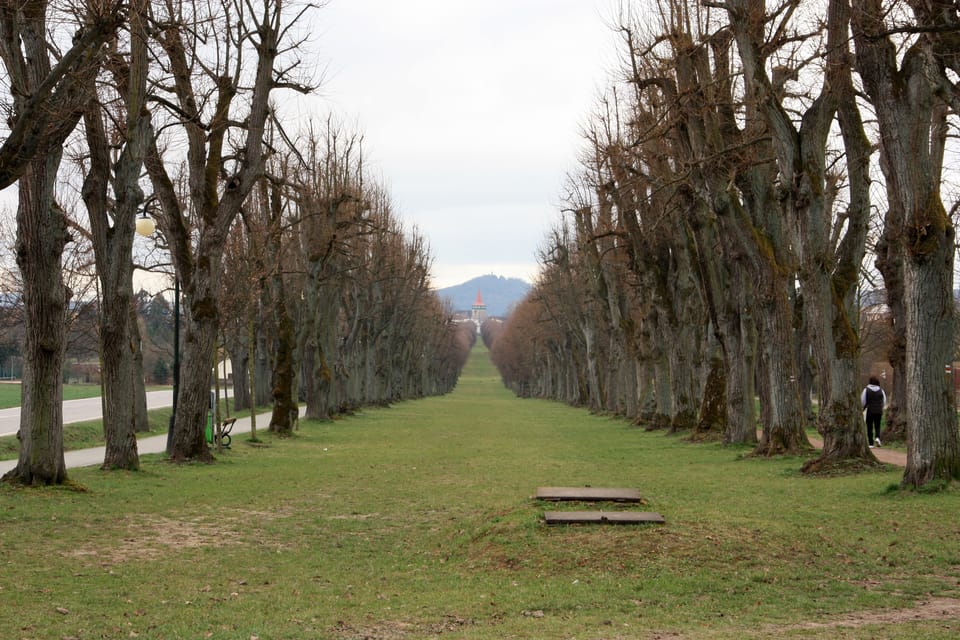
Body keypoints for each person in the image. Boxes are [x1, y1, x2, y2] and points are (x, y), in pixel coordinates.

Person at [861, 376, 886, 448]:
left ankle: (871, 443)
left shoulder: (866, 390)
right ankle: (877, 438)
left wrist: (864, 406)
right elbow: (884, 401)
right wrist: (881, 407)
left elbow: (863, 400)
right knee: (877, 425)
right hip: (878, 410)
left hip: (870, 410)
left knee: (869, 426)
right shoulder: (881, 390)